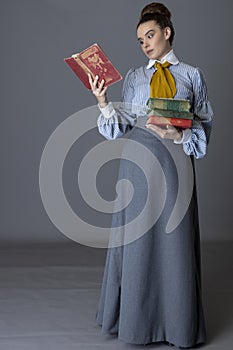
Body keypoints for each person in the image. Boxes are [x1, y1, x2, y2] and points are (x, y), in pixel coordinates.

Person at [88, 2, 213, 348]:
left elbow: (205, 131)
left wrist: (182, 135)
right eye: (140, 40)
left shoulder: (192, 75)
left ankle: (178, 326)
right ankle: (135, 325)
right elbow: (120, 126)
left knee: (175, 243)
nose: (145, 44)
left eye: (150, 35)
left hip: (175, 165)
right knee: (137, 243)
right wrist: (103, 102)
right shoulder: (134, 77)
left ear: (167, 32)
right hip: (138, 164)